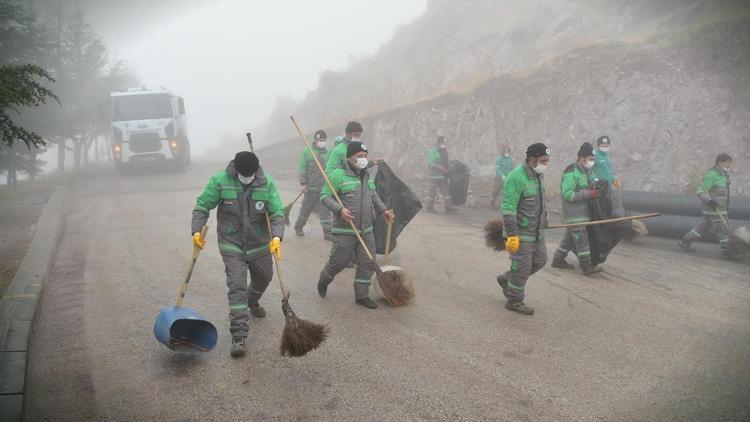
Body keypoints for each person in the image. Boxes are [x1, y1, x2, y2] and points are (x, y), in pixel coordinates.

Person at [191, 151, 284, 357]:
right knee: (237, 285)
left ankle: (252, 300)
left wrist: (277, 236)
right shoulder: (221, 181)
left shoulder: (265, 182)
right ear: (236, 169)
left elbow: (277, 212)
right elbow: (203, 205)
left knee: (265, 277)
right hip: (231, 242)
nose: (247, 177)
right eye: (243, 174)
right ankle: (239, 335)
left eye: (250, 174)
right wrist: (196, 230)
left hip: (259, 243)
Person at [317, 141, 395, 309]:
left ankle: (362, 295)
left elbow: (373, 195)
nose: (363, 159)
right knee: (339, 261)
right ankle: (324, 279)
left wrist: (384, 211)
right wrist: (340, 210)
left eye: (365, 156)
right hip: (345, 229)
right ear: (350, 157)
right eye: (359, 156)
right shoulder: (338, 175)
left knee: (368, 262)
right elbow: (324, 196)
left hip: (366, 228)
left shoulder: (367, 175)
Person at [496, 143, 550, 315]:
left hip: (537, 232)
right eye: (543, 161)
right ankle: (514, 300)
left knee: (540, 260)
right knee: (523, 267)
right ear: (532, 159)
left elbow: (541, 202)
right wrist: (512, 235)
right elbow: (508, 208)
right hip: (520, 233)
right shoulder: (516, 177)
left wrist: (544, 220)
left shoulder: (537, 175)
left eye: (547, 161)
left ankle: (507, 279)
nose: (546, 164)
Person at [551, 142, 603, 275]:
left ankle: (558, 259)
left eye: (593, 160)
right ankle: (587, 267)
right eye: (590, 160)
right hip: (575, 215)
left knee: (569, 239)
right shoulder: (571, 172)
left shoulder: (586, 172)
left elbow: (590, 184)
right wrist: (589, 194)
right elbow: (568, 194)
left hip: (583, 214)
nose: (592, 162)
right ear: (582, 158)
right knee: (582, 241)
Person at [678, 153, 735, 259]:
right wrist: (710, 201)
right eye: (727, 163)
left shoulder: (724, 175)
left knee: (702, 228)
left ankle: (685, 241)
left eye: (730, 163)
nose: (729, 166)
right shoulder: (711, 175)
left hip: (720, 209)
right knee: (723, 231)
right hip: (714, 209)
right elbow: (700, 191)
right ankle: (726, 252)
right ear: (720, 162)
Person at [294, 129, 333, 239]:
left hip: (324, 188)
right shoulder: (307, 151)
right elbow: (302, 168)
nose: (322, 141)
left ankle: (327, 232)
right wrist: (303, 184)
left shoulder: (328, 153)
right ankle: (298, 227)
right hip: (311, 188)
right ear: (315, 140)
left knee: (325, 211)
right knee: (305, 209)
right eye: (320, 140)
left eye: (324, 140)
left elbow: (330, 170)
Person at [425, 135, 457, 213]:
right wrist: (442, 168)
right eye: (442, 143)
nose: (443, 145)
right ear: (438, 143)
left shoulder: (444, 151)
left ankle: (448, 208)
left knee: (446, 192)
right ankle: (429, 208)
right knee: (432, 192)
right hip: (434, 176)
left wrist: (450, 169)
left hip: (443, 176)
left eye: (444, 143)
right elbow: (431, 163)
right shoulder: (432, 151)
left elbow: (446, 162)